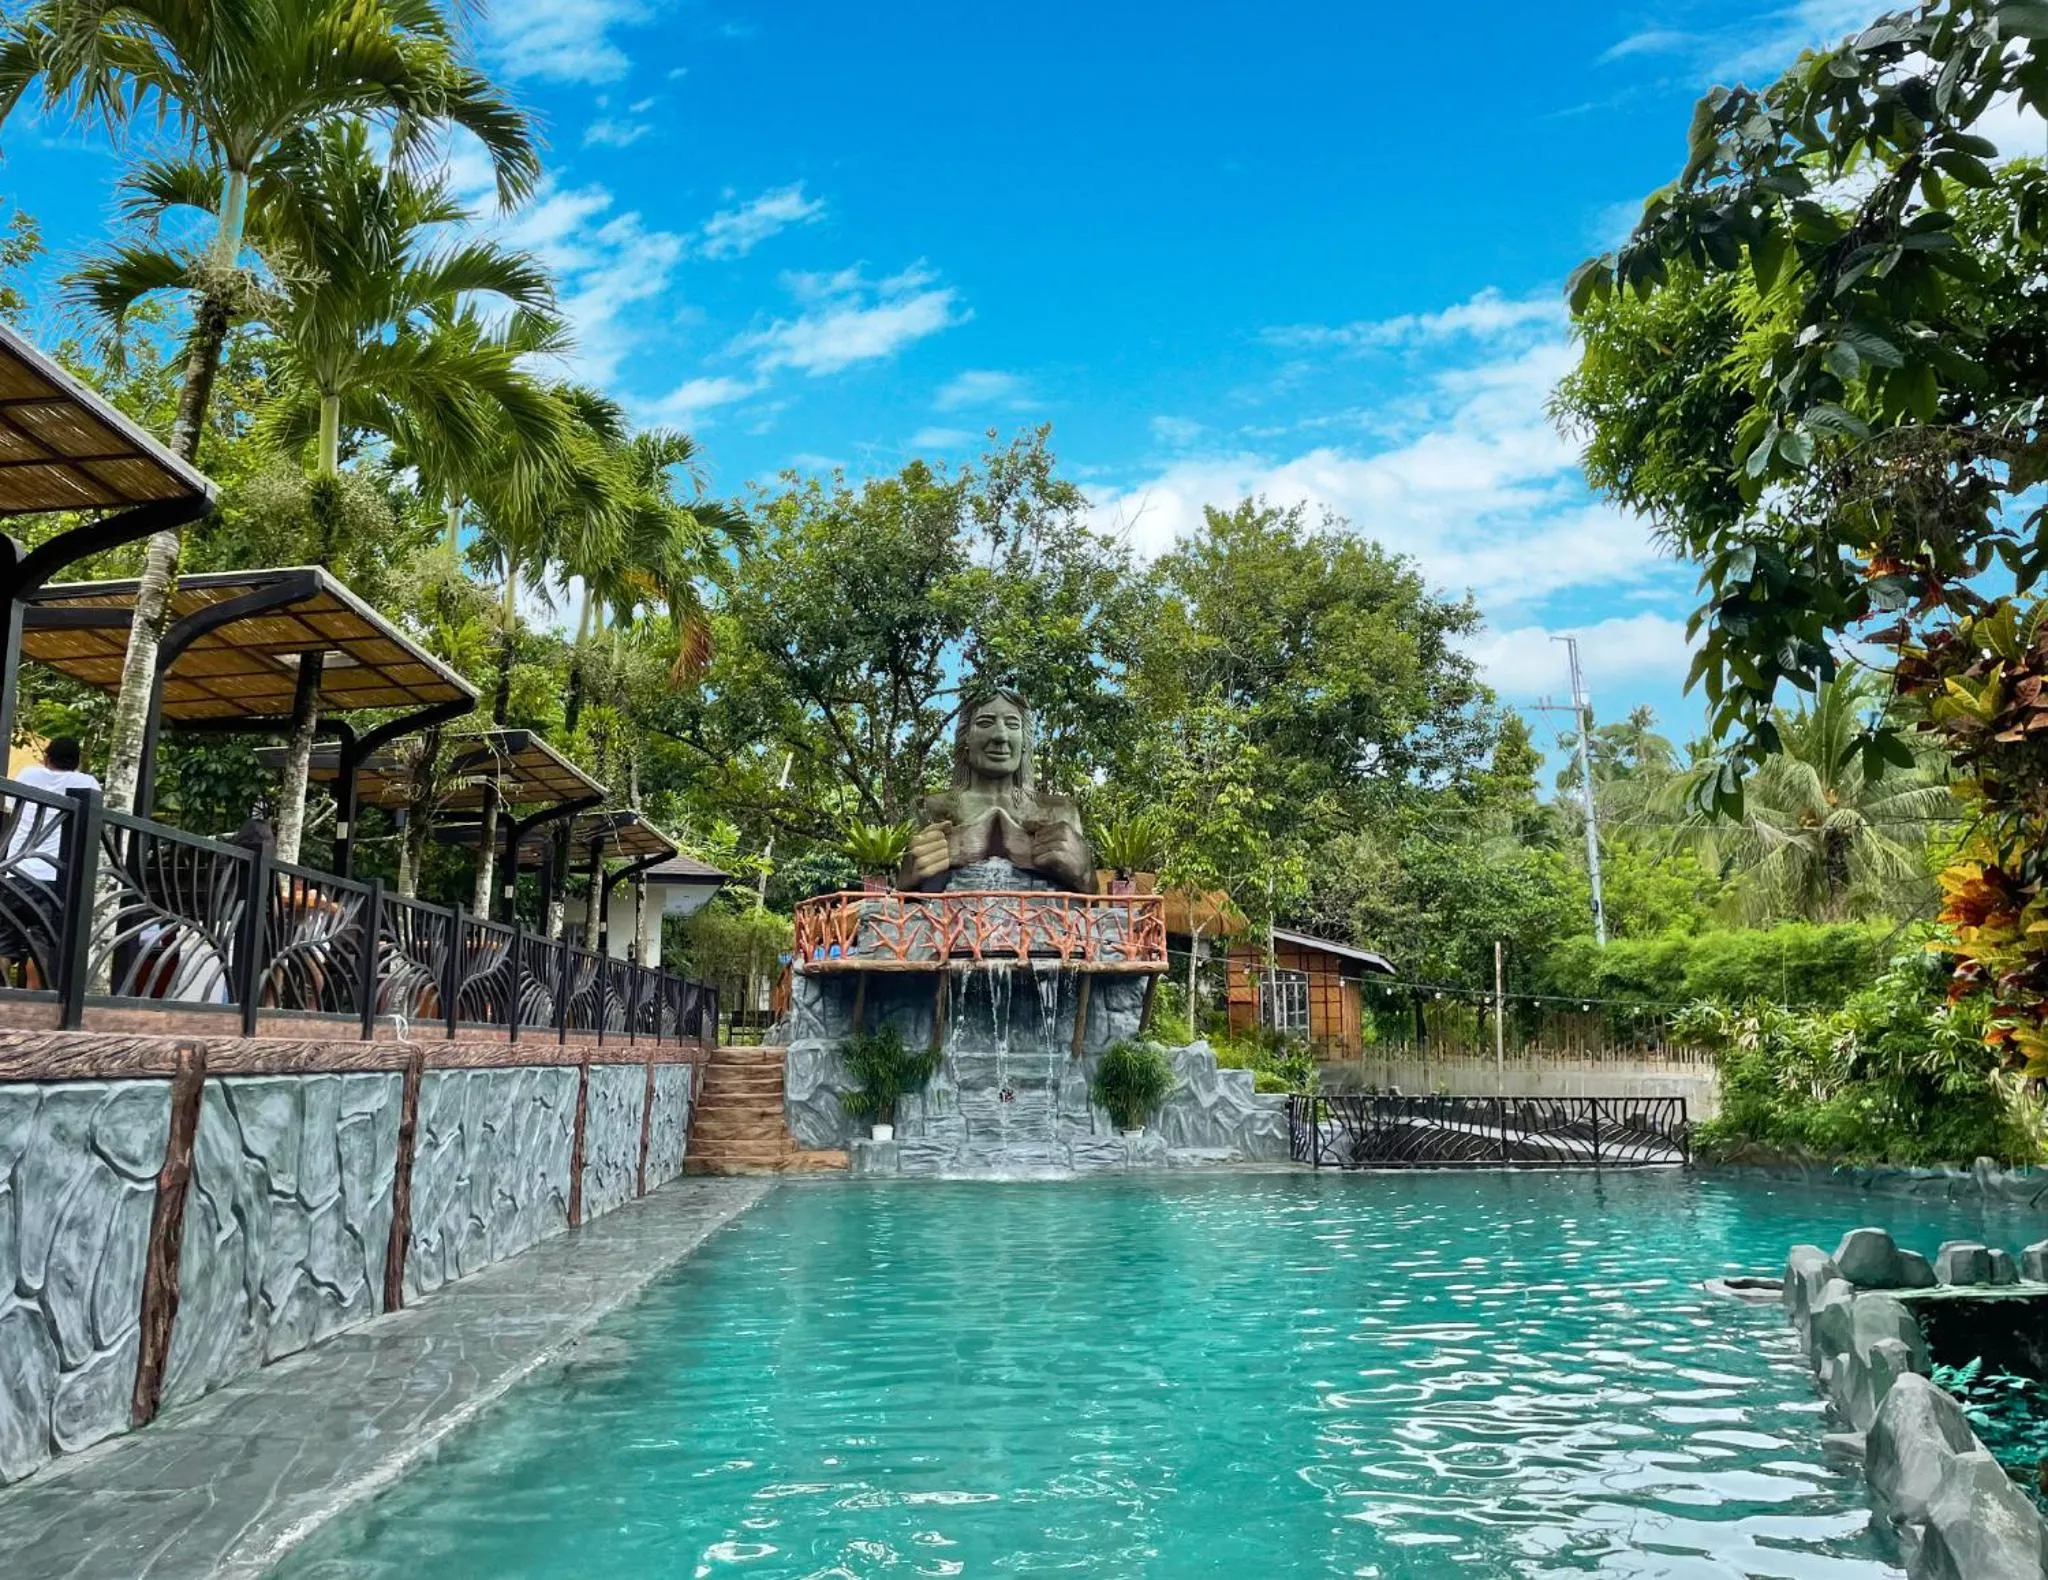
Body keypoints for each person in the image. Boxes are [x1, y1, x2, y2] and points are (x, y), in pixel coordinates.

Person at [7, 737, 99, 882]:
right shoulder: (87, 783)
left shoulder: (27, 775)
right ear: (78, 762)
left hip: (17, 866)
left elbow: (11, 805)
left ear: (47, 758)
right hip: (56, 873)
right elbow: (94, 822)